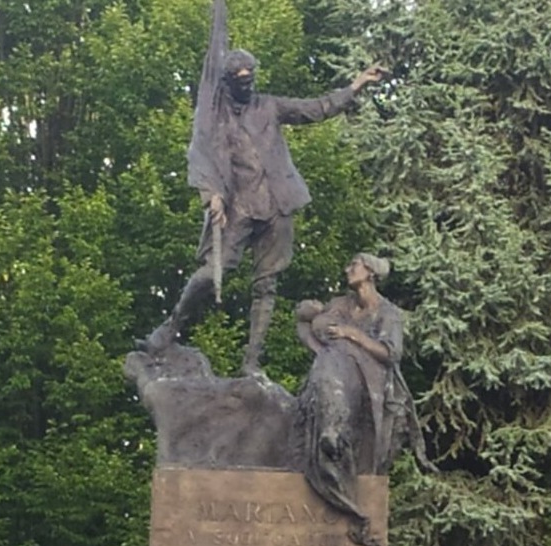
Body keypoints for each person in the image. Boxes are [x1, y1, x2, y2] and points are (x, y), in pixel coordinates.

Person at [141, 0, 385, 377]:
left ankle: (252, 363)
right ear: (227, 82)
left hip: (277, 204)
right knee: (210, 274)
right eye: (239, 79)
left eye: (250, 78)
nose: (246, 84)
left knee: (266, 286)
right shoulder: (214, 114)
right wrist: (212, 195)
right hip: (238, 207)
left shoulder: (268, 106)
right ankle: (169, 328)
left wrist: (354, 86)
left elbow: (314, 108)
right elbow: (202, 153)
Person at [292, 252, 426, 546]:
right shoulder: (342, 304)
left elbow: (391, 354)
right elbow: (319, 326)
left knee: (333, 360)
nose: (347, 268)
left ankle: (334, 426)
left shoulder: (388, 313)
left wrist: (351, 335)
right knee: (329, 362)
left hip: (372, 381)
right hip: (336, 372)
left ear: (370, 273)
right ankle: (331, 430)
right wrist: (309, 312)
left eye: (354, 265)